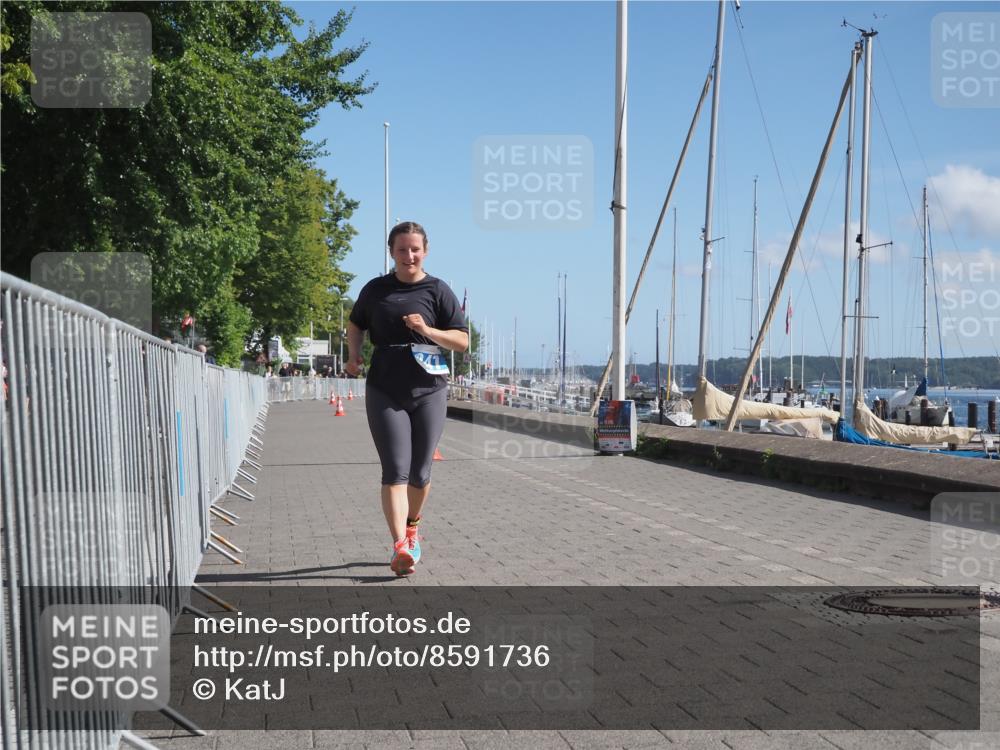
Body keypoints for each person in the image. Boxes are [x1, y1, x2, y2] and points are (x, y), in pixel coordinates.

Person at [346, 221, 468, 576]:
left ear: (425, 251)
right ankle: (400, 546)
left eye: (415, 249)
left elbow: (462, 341)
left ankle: (413, 526)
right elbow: (356, 325)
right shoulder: (376, 289)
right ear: (391, 252)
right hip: (385, 387)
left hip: (429, 389)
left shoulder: (438, 290)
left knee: (420, 472)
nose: (409, 255)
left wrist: (427, 330)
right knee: (395, 470)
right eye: (402, 250)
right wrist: (354, 356)